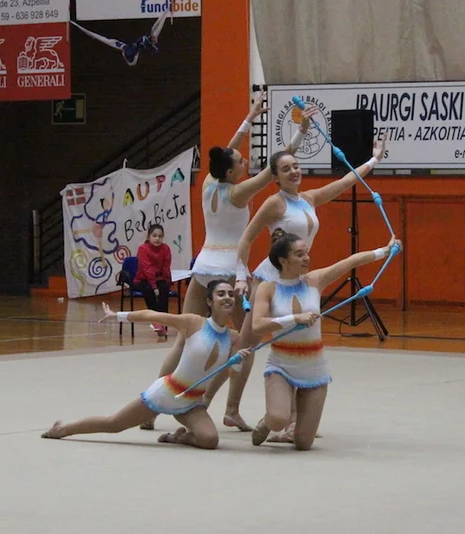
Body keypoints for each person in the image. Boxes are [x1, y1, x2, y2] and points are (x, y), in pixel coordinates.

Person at [141, 91, 315, 431]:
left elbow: (225, 150)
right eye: (241, 162)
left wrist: (250, 118)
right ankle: (231, 408)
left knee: (183, 339)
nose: (245, 161)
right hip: (227, 273)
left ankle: (150, 408)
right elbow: (278, 166)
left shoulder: (209, 183)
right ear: (232, 172)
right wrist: (301, 132)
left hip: (202, 268)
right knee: (245, 343)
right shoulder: (238, 193)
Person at [218, 133, 387, 437]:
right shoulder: (274, 203)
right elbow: (246, 239)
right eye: (286, 169)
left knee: (296, 339)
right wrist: (241, 277)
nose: (294, 171)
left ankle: (293, 419)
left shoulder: (308, 198)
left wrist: (373, 160)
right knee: (247, 344)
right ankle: (228, 407)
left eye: (296, 166)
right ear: (276, 178)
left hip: (295, 279)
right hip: (269, 280)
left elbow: (345, 182)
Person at [41, 280, 252, 450]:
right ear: (209, 301)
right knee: (114, 424)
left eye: (230, 294)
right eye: (221, 294)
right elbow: (152, 315)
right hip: (166, 393)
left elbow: (234, 371)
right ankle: (63, 429)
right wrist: (118, 315)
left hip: (191, 402)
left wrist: (238, 361)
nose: (227, 298)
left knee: (210, 440)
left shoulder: (233, 337)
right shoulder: (194, 323)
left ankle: (178, 438)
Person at [250, 231, 399, 450]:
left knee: (303, 444)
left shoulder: (315, 280)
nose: (306, 258)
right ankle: (269, 421)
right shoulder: (268, 288)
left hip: (314, 369)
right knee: (278, 419)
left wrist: (385, 251)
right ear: (283, 260)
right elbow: (257, 325)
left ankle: (293, 425)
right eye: (299, 254)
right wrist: (294, 319)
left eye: (306, 253)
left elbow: (351, 261)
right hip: (281, 366)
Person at [133, 224, 173, 340]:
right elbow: (147, 270)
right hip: (143, 279)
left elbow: (166, 267)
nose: (157, 239)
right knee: (149, 290)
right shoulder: (143, 249)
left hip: (159, 278)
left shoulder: (166, 249)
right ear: (148, 237)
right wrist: (155, 287)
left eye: (160, 236)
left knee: (164, 288)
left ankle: (162, 321)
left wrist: (166, 282)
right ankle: (155, 320)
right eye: (154, 236)